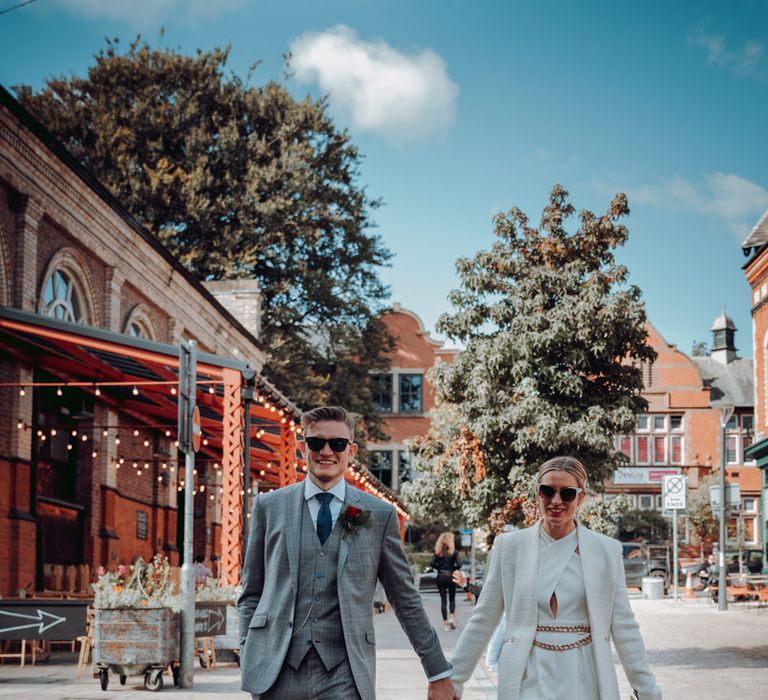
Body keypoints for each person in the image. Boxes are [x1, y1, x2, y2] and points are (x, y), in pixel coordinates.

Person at [238, 405, 457, 700]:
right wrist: (250, 648)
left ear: (351, 451)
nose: (326, 451)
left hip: (344, 674)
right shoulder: (270, 507)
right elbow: (251, 592)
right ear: (303, 448)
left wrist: (437, 669)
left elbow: (404, 598)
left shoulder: (376, 514)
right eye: (316, 443)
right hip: (277, 675)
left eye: (337, 444)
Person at [449, 456, 662, 699]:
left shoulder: (606, 551)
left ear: (581, 497)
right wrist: (454, 678)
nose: (556, 501)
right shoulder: (510, 547)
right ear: (537, 493)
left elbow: (624, 626)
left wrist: (647, 690)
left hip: (585, 673)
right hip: (526, 672)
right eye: (547, 491)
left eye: (567, 493)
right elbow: (484, 617)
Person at [430, 532, 462, 630]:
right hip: (450, 577)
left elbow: (432, 563)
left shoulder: (438, 552)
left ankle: (445, 624)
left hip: (441, 577)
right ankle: (451, 617)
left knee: (443, 600)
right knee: (452, 599)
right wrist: (453, 569)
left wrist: (439, 568)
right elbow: (459, 564)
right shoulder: (454, 552)